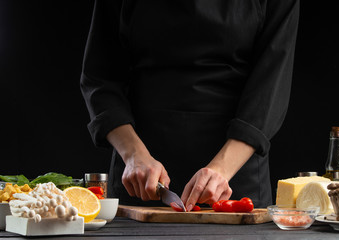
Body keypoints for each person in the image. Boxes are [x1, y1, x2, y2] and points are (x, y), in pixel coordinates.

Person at [80, 0, 299, 210]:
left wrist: (222, 169)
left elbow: (271, 85)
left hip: (233, 180)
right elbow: (100, 78)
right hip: (142, 178)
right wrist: (134, 155)